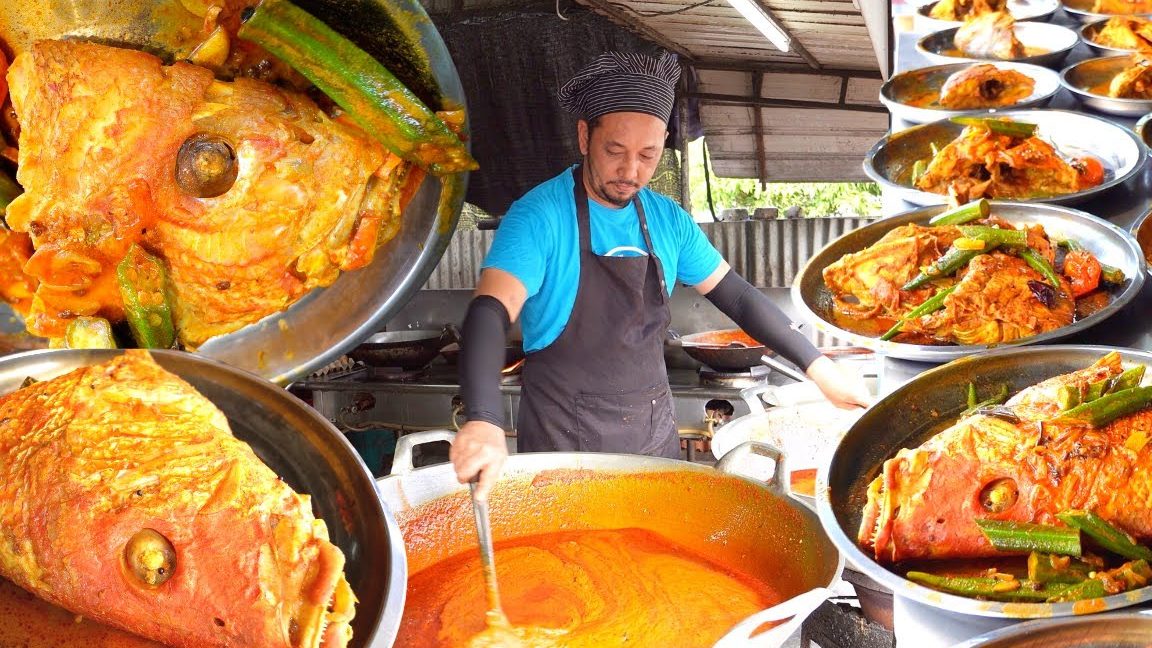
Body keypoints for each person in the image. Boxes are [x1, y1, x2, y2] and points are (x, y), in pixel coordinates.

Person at [452, 50, 872, 500]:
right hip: (564, 450)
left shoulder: (667, 220)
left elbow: (737, 297)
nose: (631, 171)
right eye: (615, 151)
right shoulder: (539, 216)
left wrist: (819, 367)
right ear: (584, 136)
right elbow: (490, 311)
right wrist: (483, 417)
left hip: (652, 439)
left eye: (648, 155)